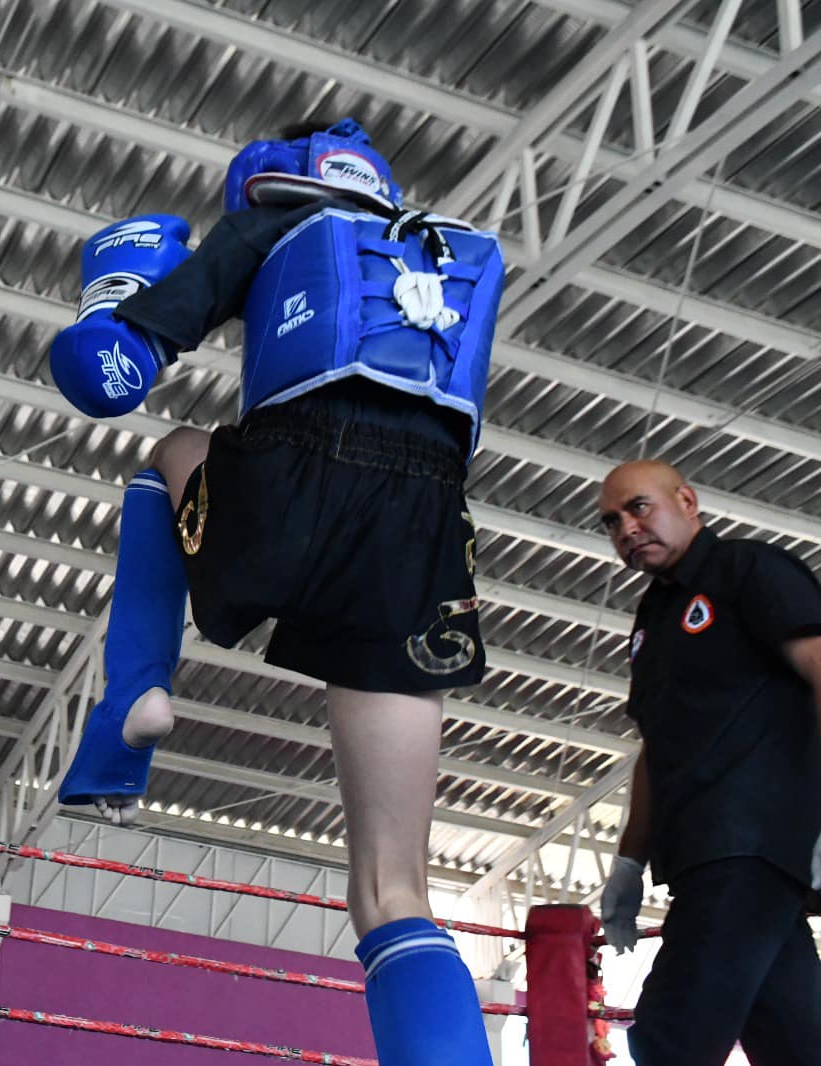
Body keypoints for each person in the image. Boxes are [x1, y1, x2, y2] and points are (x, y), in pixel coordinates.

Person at [48, 117, 504, 1064]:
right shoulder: (432, 250)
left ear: (270, 177)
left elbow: (107, 378)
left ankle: (135, 692)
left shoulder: (269, 227)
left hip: (292, 484)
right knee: (393, 886)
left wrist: (113, 303)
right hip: (420, 532)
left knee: (167, 453)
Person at [596, 459, 821, 1064]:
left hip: (748, 844)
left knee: (673, 1035)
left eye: (638, 507)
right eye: (611, 522)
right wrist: (627, 862)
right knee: (797, 1041)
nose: (626, 528)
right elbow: (655, 747)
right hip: (706, 857)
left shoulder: (749, 570)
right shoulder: (652, 619)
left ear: (687, 501)